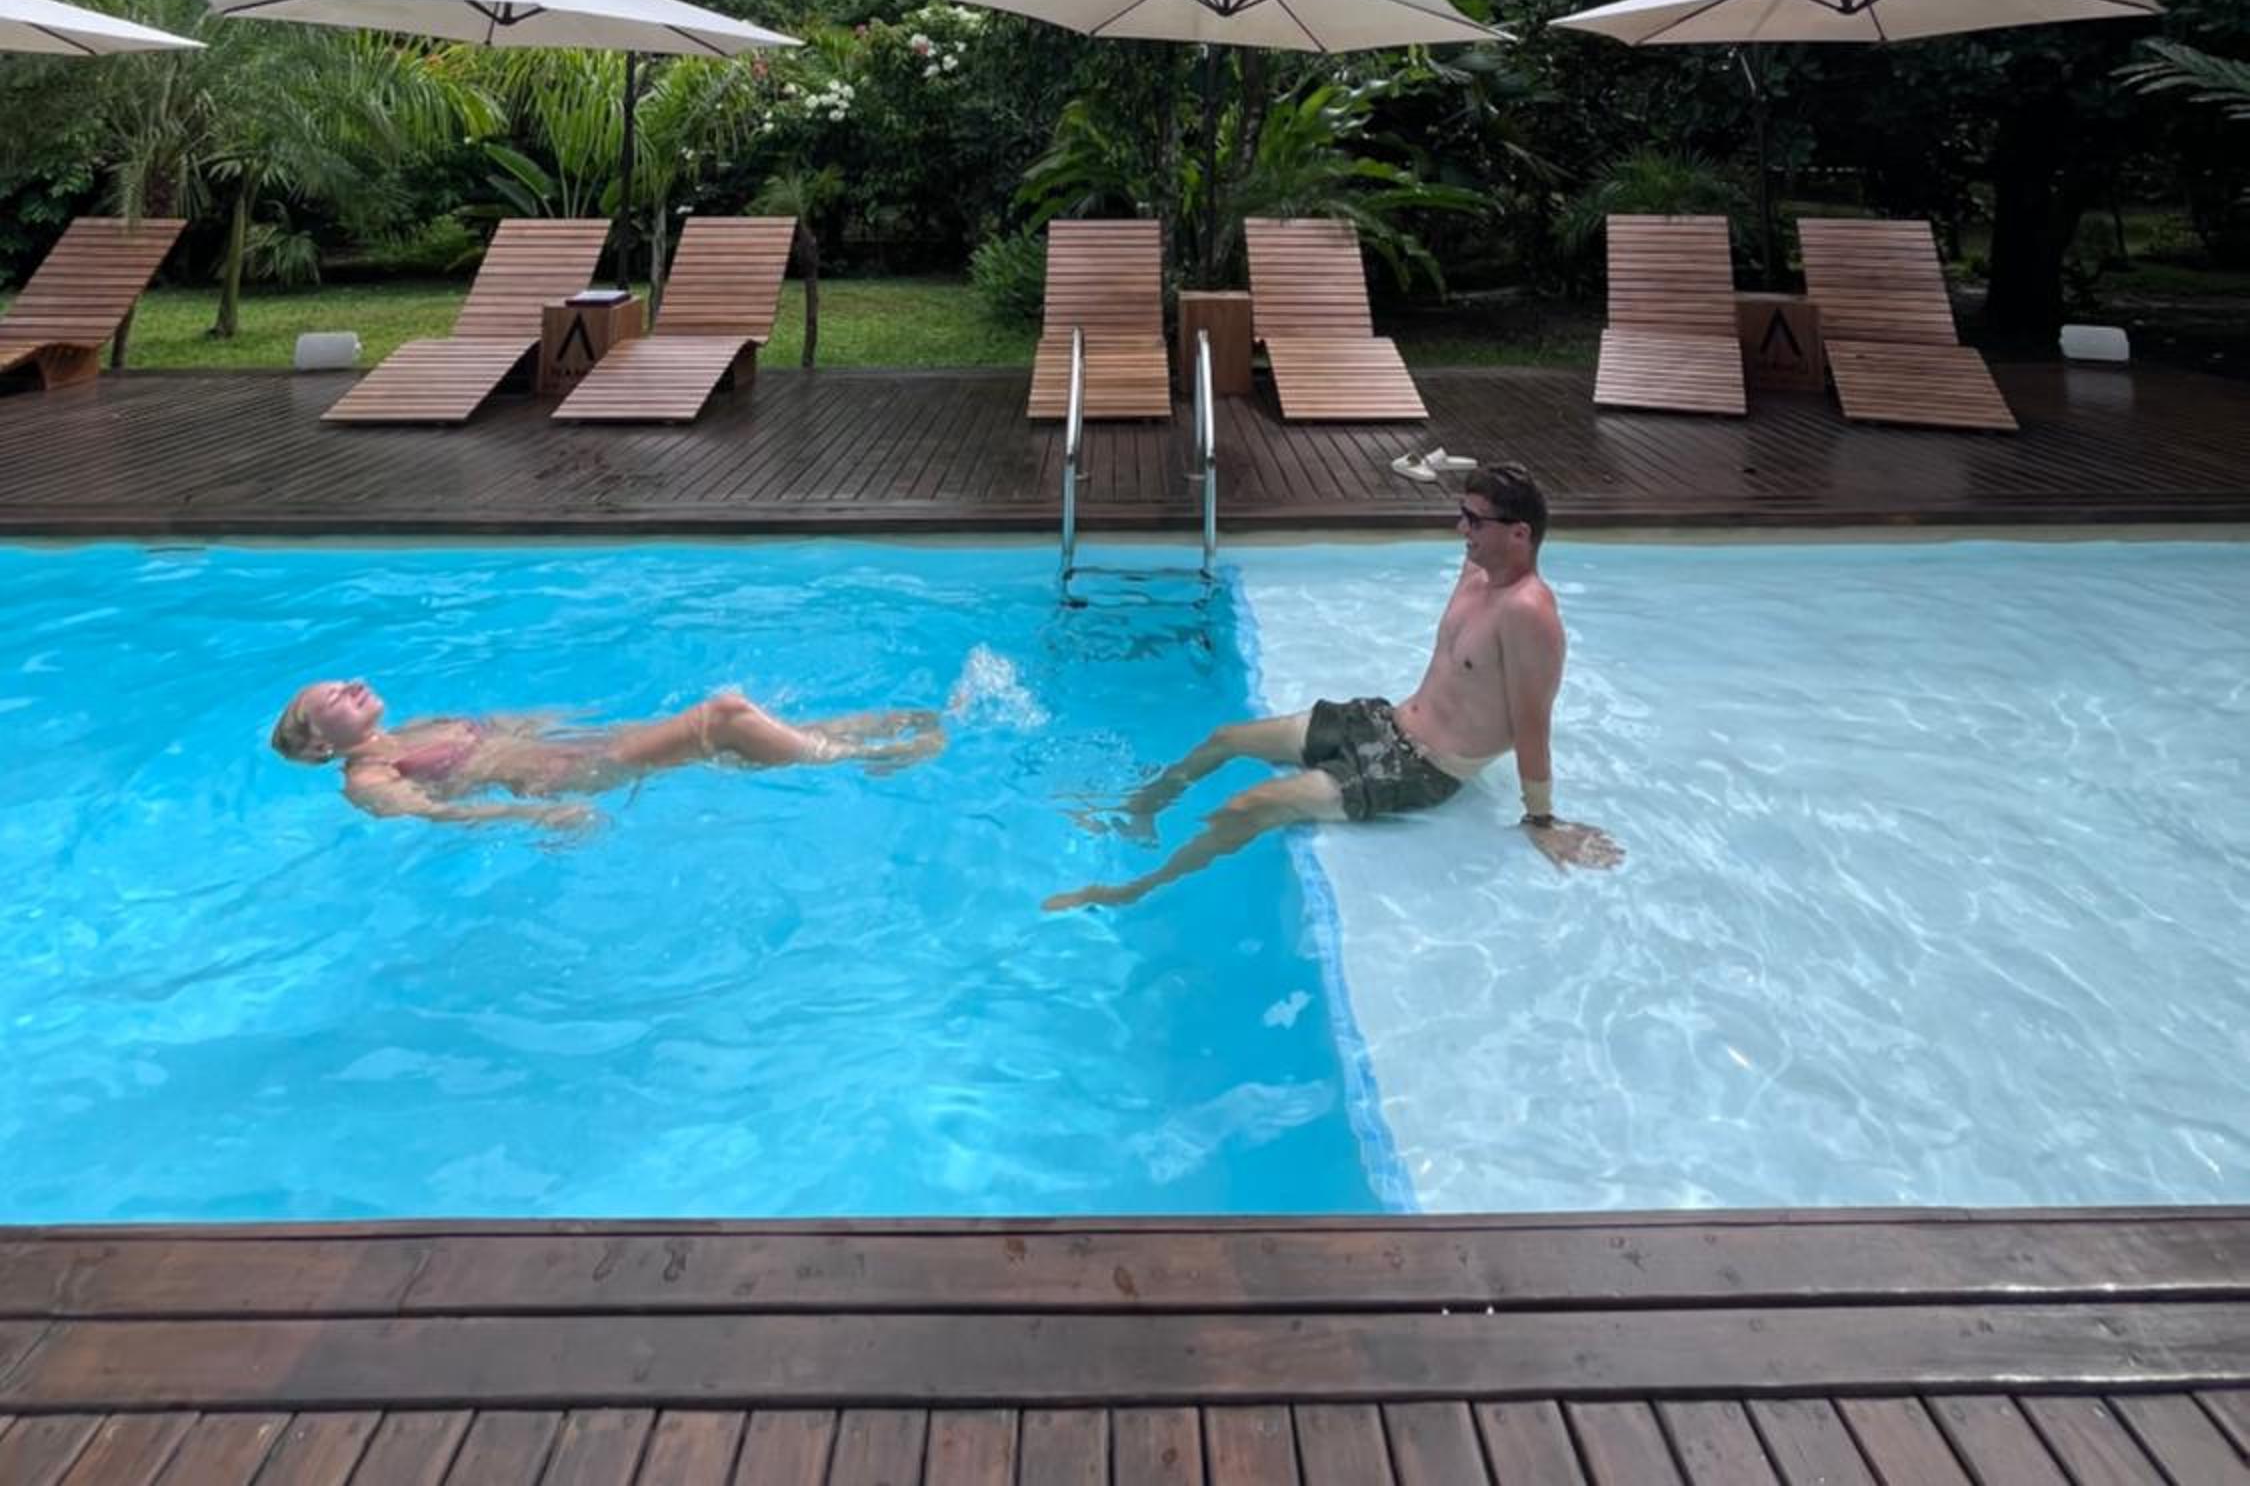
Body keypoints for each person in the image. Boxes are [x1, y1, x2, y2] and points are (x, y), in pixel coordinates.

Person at [1044, 459, 1621, 910]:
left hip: (1420, 769)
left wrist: (1541, 819)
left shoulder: (1529, 613)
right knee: (1227, 737)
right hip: (1382, 720)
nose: (1460, 529)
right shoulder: (1479, 571)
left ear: (1519, 534)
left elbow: (1532, 723)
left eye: (1474, 521)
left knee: (1249, 806)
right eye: (1462, 513)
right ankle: (1138, 809)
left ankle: (1133, 891)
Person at [270, 676, 945, 830]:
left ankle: (862, 733)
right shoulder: (369, 775)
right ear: (321, 742)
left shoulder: (417, 727)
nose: (353, 684)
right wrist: (537, 816)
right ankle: (858, 756)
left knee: (738, 729)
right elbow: (438, 815)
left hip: (580, 745)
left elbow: (508, 725)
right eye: (333, 696)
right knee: (726, 715)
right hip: (570, 774)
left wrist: (579, 718)